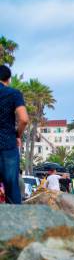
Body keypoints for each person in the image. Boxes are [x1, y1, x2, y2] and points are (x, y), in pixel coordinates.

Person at [0, 65, 29, 204]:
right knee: (12, 188)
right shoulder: (13, 93)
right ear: (8, 79)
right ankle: (16, 225)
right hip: (8, 146)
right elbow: (24, 119)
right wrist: (17, 134)